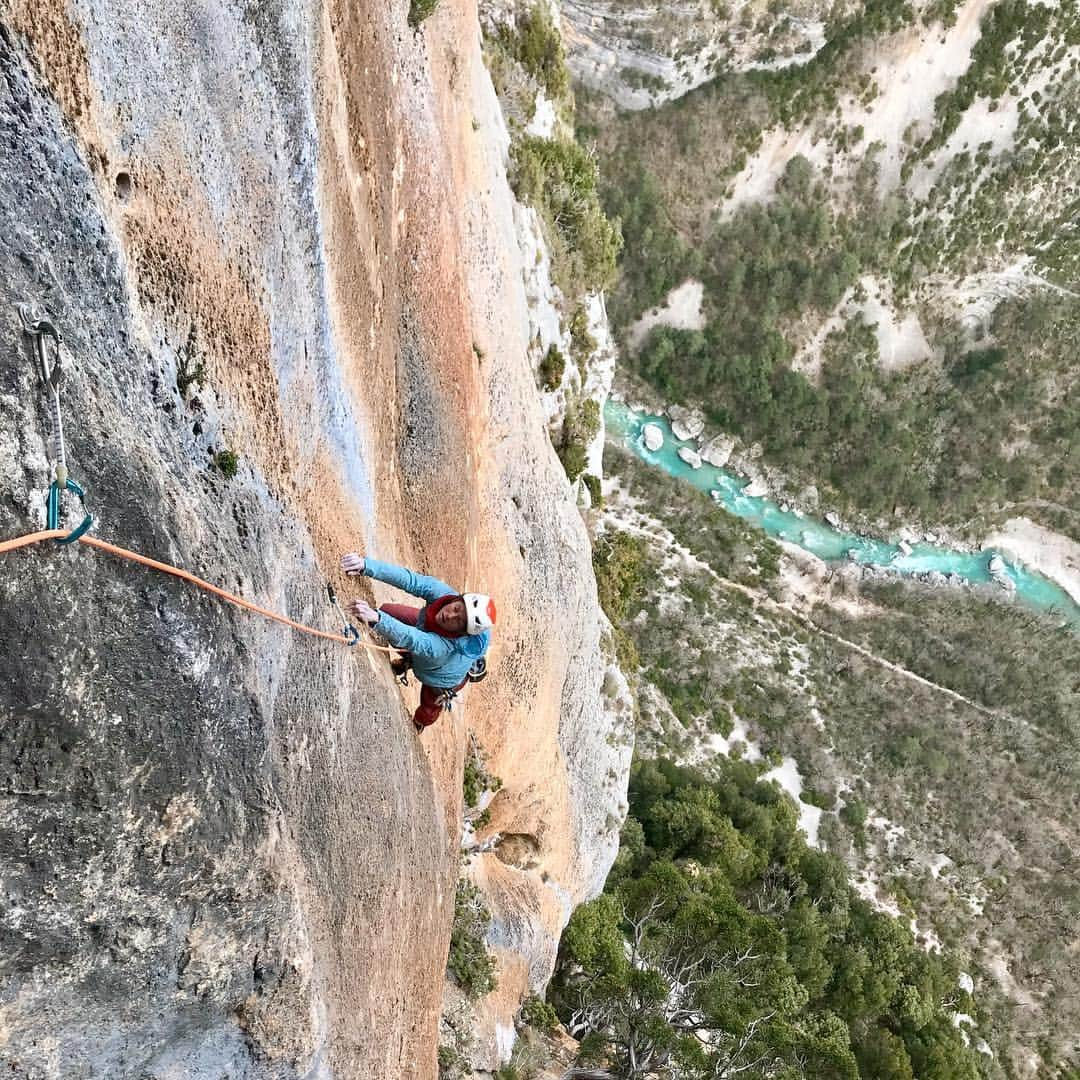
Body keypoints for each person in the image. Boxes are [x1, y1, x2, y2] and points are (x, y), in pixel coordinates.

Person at [341, 552, 496, 732]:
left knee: (429, 708)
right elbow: (411, 581)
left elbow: (413, 639)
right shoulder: (445, 594)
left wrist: (377, 619)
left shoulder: (444, 648)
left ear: (462, 632)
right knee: (387, 611)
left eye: (458, 621)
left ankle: (419, 724)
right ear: (457, 599)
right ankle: (409, 662)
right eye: (456, 608)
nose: (449, 615)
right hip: (425, 635)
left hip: (441, 681)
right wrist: (366, 566)